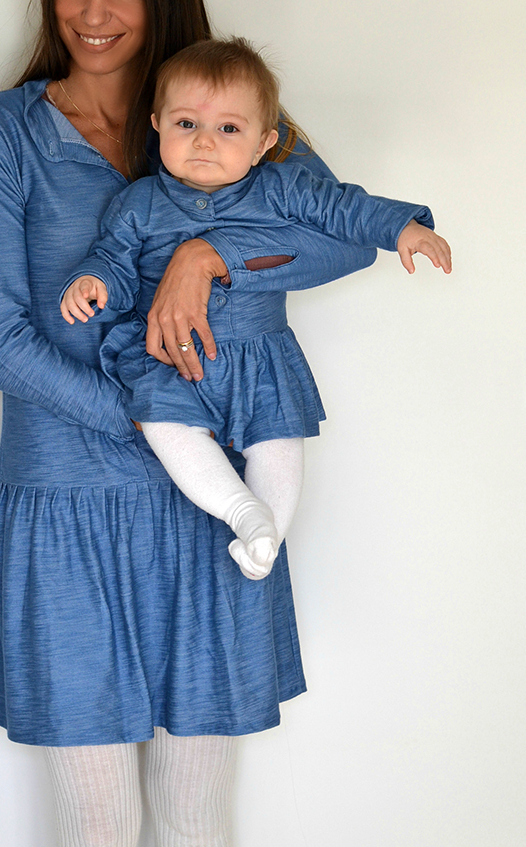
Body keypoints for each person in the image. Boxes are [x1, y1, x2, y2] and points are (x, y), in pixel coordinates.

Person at [0, 0, 389, 847]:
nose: (92, 11)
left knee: (196, 824)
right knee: (98, 829)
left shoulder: (218, 117)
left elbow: (347, 240)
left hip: (214, 519)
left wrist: (208, 253)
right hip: (67, 512)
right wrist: (159, 421)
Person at [60, 38, 452, 582]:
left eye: (228, 128)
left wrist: (401, 227)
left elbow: (343, 210)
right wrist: (94, 281)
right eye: (185, 124)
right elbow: (115, 260)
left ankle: (268, 535)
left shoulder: (281, 188)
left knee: (277, 440)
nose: (204, 141)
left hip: (259, 353)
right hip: (172, 359)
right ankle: (242, 511)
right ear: (156, 124)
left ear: (265, 142)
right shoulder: (139, 203)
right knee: (164, 426)